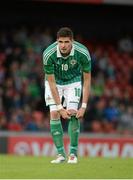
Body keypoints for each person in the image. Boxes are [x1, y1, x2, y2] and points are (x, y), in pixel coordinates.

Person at [43, 27, 91, 163]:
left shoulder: (82, 53)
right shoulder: (48, 54)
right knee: (54, 114)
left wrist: (84, 106)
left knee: (73, 113)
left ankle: (73, 154)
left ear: (72, 41)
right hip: (55, 83)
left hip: (73, 82)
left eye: (66, 42)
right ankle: (60, 154)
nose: (63, 45)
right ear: (57, 41)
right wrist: (59, 107)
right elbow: (51, 82)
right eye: (60, 42)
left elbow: (87, 80)